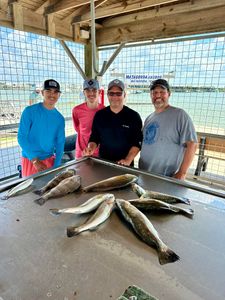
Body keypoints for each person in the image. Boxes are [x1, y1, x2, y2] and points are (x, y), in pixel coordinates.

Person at [139, 78, 198, 180]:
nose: (158, 95)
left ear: (169, 94)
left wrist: (182, 172)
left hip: (166, 177)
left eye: (162, 92)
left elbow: (192, 144)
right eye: (155, 92)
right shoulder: (149, 118)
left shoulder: (180, 115)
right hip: (144, 173)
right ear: (151, 95)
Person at [83, 79, 143, 166]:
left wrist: (127, 160)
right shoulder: (100, 115)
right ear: (107, 95)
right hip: (103, 163)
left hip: (125, 165)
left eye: (118, 94)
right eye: (111, 93)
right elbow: (94, 138)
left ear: (124, 95)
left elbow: (137, 143)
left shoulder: (134, 116)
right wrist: (90, 148)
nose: (115, 97)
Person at [18, 79, 65, 177]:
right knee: (31, 191)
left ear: (59, 95)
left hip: (49, 160)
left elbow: (60, 144)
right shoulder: (29, 111)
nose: (52, 95)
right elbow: (21, 137)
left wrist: (56, 166)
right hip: (30, 160)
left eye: (55, 92)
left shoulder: (60, 119)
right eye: (48, 91)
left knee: (50, 190)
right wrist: (34, 160)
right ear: (42, 93)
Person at [72, 79, 104, 159]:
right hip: (81, 152)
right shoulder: (76, 110)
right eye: (88, 90)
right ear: (84, 93)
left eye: (94, 90)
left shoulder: (105, 111)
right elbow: (77, 128)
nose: (91, 93)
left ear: (99, 92)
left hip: (98, 152)